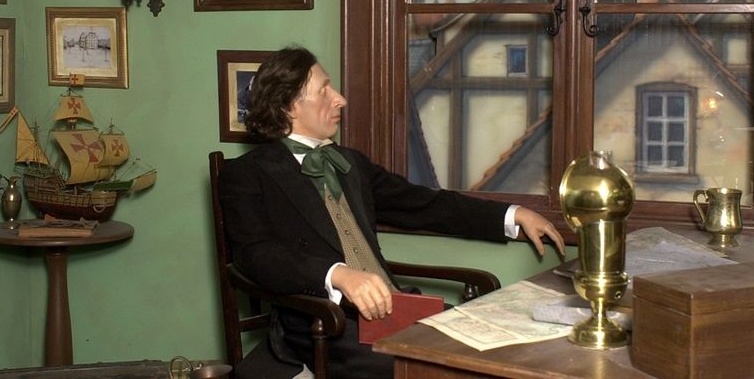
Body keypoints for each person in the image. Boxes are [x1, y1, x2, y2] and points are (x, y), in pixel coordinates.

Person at [219, 46, 565, 379]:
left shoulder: (350, 163)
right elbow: (256, 255)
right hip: (322, 326)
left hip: (394, 309)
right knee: (442, 367)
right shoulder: (248, 174)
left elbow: (423, 203)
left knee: (504, 347)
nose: (340, 99)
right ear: (290, 106)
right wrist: (337, 275)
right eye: (324, 90)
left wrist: (512, 214)